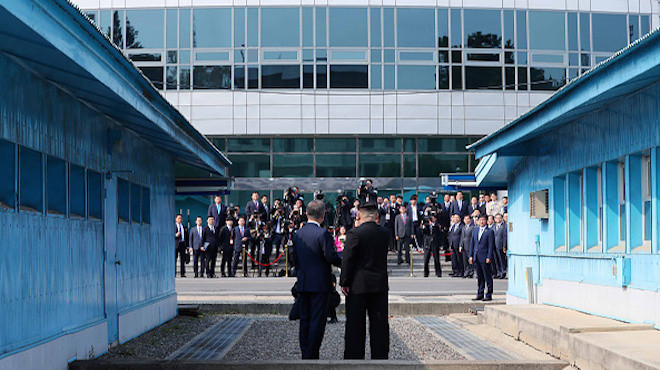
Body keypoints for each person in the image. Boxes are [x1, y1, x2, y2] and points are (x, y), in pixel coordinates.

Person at [291, 200, 341, 360]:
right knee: (317, 320)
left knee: (304, 318)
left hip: (304, 282)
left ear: (306, 214)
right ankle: (312, 353)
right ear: (323, 214)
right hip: (320, 284)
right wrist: (345, 259)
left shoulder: (298, 234)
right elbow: (330, 256)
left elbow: (295, 259)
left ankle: (305, 351)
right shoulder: (323, 234)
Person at [340, 202, 390, 360]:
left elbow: (348, 260)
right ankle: (380, 357)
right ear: (376, 216)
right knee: (380, 324)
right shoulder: (385, 233)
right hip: (380, 283)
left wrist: (344, 282)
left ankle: (354, 358)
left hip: (358, 284)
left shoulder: (354, 233)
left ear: (358, 216)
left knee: (355, 324)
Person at [469, 215, 495, 301]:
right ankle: (480, 293)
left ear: (486, 221)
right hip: (476, 256)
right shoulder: (475, 230)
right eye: (480, 220)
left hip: (485, 257)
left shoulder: (489, 231)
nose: (482, 221)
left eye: (483, 220)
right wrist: (471, 256)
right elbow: (472, 244)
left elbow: (491, 245)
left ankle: (489, 294)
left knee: (487, 276)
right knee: (480, 277)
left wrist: (489, 256)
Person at [493, 213, 508, 279]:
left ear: (502, 219)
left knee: (502, 259)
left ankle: (503, 272)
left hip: (501, 245)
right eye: (496, 218)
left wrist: (504, 246)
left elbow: (505, 237)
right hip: (494, 245)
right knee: (496, 260)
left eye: (499, 218)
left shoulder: (504, 226)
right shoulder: (493, 226)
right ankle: (498, 272)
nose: (498, 219)